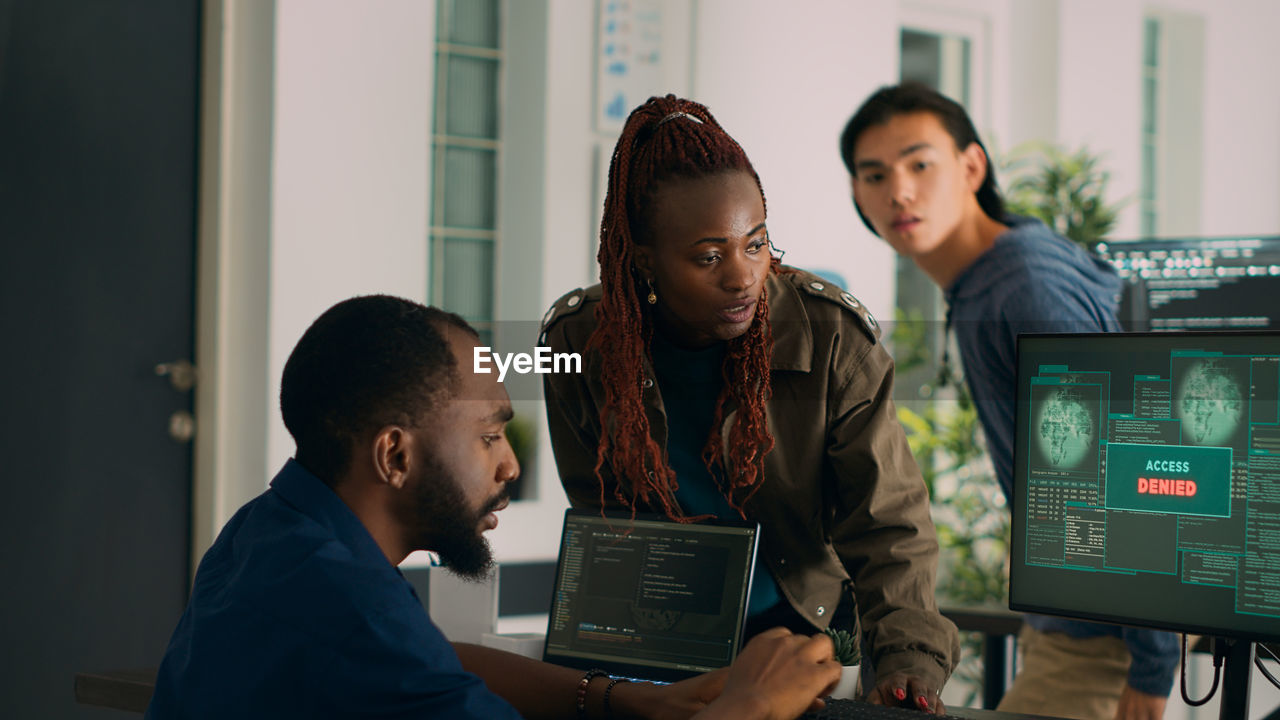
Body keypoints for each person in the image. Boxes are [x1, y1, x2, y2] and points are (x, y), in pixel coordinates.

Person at [145, 295, 842, 720]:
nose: (510, 464)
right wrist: (752, 704)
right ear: (394, 456)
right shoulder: (354, 615)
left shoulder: (271, 533)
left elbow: (435, 663)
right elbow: (399, 659)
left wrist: (630, 700)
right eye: (487, 436)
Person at [540, 94, 959, 713]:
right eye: (709, 257)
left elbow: (887, 522)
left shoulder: (832, 337)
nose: (742, 276)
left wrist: (908, 657)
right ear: (645, 260)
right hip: (651, 645)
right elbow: (599, 513)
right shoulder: (574, 342)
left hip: (796, 642)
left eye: (756, 243)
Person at [839, 83, 1180, 720]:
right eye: (875, 174)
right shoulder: (996, 271)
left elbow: (1127, 464)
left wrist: (1153, 661)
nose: (899, 192)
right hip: (1078, 624)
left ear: (972, 166)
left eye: (920, 164)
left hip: (1103, 641)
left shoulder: (1023, 287)